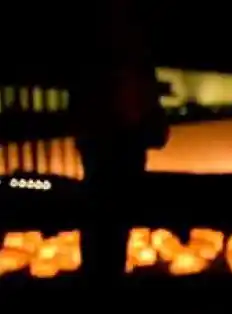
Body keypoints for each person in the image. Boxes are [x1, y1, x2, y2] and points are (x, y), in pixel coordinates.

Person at [71, 0, 167, 287]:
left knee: (107, 243)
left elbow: (153, 129)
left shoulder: (120, 69)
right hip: (112, 167)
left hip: (115, 167)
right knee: (105, 242)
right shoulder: (113, 71)